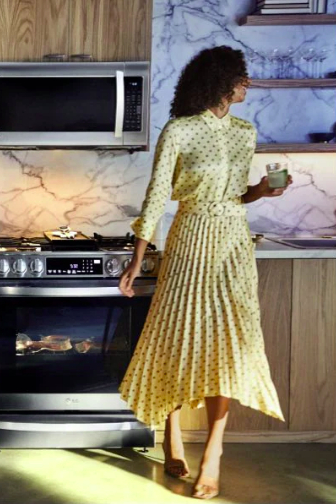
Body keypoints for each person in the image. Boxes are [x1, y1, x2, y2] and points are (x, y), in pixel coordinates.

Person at [118, 46, 291, 500]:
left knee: (229, 344)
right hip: (190, 240)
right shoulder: (179, 129)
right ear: (219, 81)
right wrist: (137, 257)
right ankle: (172, 432)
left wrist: (261, 192)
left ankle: (213, 451)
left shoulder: (245, 131)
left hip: (233, 243)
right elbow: (157, 195)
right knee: (181, 336)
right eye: (240, 76)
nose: (246, 83)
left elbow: (236, 194)